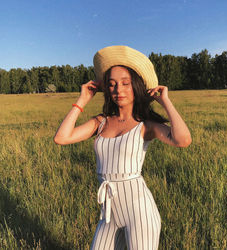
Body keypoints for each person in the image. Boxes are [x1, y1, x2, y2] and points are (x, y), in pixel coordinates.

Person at [54, 45, 192, 250]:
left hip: (140, 213)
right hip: (109, 214)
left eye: (125, 83)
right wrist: (82, 100)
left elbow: (182, 140)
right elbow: (62, 138)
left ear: (135, 86)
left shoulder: (146, 125)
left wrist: (165, 102)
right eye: (112, 84)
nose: (118, 90)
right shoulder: (100, 122)